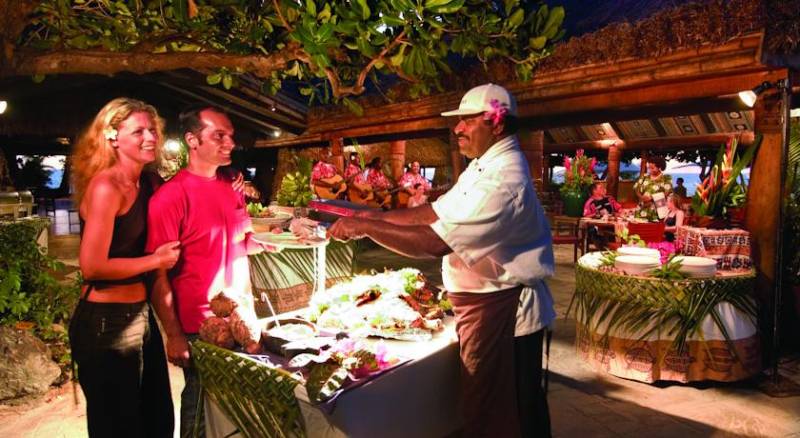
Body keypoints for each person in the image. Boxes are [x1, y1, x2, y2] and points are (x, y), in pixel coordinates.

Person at [329, 83, 555, 437]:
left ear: (496, 123)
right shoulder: (482, 165)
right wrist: (368, 221)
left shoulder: (503, 179)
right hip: (482, 306)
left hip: (504, 311)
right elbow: (432, 214)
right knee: (491, 409)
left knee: (507, 416)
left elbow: (433, 242)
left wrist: (366, 227)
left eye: (467, 121)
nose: (457, 129)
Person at [146, 106, 271, 438]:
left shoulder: (232, 187)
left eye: (231, 135)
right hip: (200, 324)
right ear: (192, 140)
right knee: (200, 408)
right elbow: (158, 274)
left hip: (241, 314)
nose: (230, 142)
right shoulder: (169, 197)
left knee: (240, 410)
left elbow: (241, 243)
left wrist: (270, 242)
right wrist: (172, 334)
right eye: (219, 135)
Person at [68, 97, 180, 437]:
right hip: (105, 325)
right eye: (138, 131)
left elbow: (185, 193)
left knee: (158, 421)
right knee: (118, 428)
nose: (150, 137)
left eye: (152, 130)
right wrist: (156, 260)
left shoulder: (150, 183)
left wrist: (231, 179)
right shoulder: (106, 186)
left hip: (140, 316)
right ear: (112, 136)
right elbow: (92, 266)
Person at [633, 156, 672, 222]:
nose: (650, 170)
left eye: (652, 168)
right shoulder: (644, 177)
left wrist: (651, 198)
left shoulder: (666, 178)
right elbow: (636, 189)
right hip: (642, 208)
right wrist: (642, 197)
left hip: (658, 210)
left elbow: (667, 192)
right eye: (649, 168)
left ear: (660, 167)